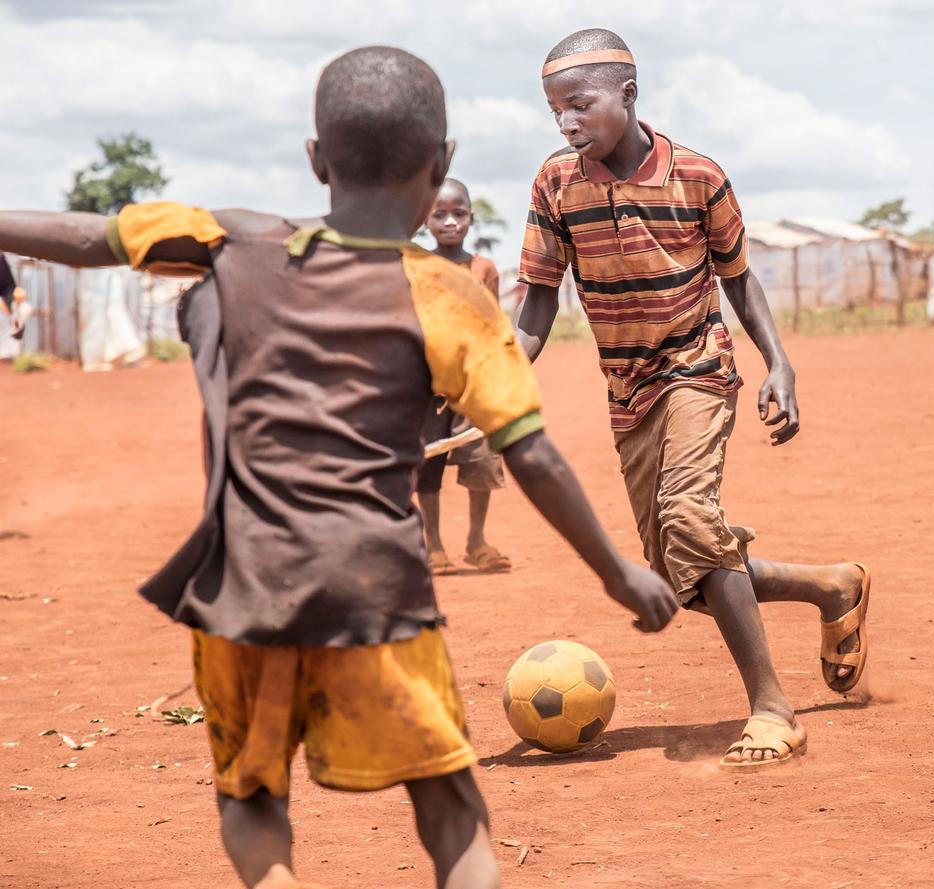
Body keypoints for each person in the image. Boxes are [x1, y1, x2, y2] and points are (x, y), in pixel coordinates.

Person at [0, 46, 677, 889]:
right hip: (373, 590)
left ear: (317, 160)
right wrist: (617, 573)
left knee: (252, 801)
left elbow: (84, 237)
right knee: (451, 806)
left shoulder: (229, 240)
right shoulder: (451, 296)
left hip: (238, 591)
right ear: (443, 166)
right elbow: (528, 452)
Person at [516, 28, 871, 769]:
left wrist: (781, 363)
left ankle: (774, 708)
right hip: (627, 387)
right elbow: (538, 302)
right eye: (555, 111)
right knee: (684, 573)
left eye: (579, 105)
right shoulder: (556, 184)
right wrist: (497, 375)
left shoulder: (699, 176)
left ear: (629, 94)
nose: (566, 123)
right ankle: (833, 585)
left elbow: (739, 277)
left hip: (697, 367)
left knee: (688, 518)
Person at [418, 178, 512, 574]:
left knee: (481, 459)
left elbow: (492, 323)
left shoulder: (484, 268)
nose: (450, 222)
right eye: (439, 214)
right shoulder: (419, 267)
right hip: (429, 386)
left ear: (471, 219)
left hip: (474, 383)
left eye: (459, 214)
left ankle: (476, 540)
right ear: (426, 220)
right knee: (428, 464)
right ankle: (434, 544)